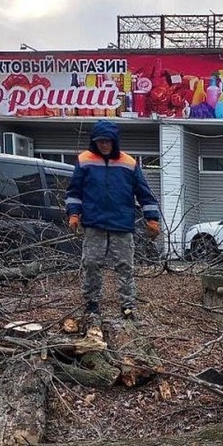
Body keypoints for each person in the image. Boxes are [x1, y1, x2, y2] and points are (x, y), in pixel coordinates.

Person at [65, 120, 161, 320]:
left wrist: (152, 219)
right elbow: (74, 192)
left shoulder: (128, 163)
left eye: (107, 141)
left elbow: (144, 193)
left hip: (122, 223)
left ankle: (127, 306)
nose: (104, 145)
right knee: (91, 263)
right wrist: (73, 213)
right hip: (94, 222)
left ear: (114, 141)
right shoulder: (85, 161)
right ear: (94, 141)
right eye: (100, 141)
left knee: (125, 265)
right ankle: (92, 303)